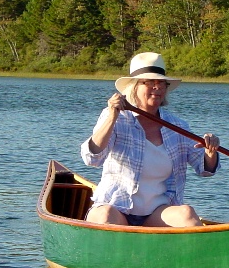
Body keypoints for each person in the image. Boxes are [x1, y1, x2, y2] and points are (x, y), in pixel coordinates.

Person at [81, 52, 220, 227]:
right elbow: (92, 158)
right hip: (116, 208)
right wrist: (112, 118)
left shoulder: (177, 126)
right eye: (150, 82)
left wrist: (210, 152)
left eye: (162, 83)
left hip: (157, 213)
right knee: (105, 215)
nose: (158, 87)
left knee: (187, 214)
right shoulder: (115, 118)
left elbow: (205, 169)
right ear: (134, 87)